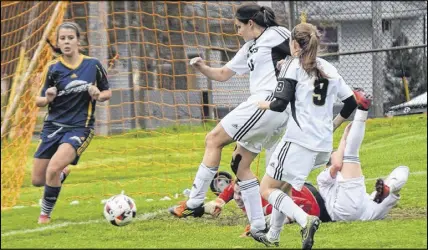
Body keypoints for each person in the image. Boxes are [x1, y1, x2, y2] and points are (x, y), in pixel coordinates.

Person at [168, 3, 292, 235]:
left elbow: (302, 47)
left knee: (213, 139)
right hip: (268, 109)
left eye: (238, 27)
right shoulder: (249, 48)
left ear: (251, 23)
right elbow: (224, 74)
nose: (237, 32)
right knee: (240, 164)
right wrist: (203, 67)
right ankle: (257, 225)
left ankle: (194, 203)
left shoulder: (278, 34)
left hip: (268, 103)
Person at [253, 22, 358, 249]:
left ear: (293, 43)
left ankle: (304, 220)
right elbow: (351, 103)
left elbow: (280, 104)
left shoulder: (293, 65)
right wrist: (332, 125)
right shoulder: (328, 67)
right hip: (321, 145)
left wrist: (262, 104)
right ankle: (273, 235)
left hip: (299, 141)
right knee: (285, 185)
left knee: (267, 188)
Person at [33, 22, 111, 224]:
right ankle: (62, 173)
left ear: (78, 40)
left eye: (70, 38)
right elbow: (37, 100)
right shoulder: (53, 68)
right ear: (58, 42)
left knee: (52, 169)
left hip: (79, 127)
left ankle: (45, 216)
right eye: (62, 38)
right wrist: (48, 98)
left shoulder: (92, 64)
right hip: (53, 126)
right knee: (38, 180)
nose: (66, 42)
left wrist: (98, 95)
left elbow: (107, 91)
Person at [317, 91, 410, 222]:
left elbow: (339, 163)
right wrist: (344, 138)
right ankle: (363, 109)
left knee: (402, 169)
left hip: (364, 210)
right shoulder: (323, 177)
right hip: (346, 210)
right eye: (337, 153)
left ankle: (388, 189)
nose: (340, 155)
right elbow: (337, 164)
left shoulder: (334, 177)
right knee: (350, 153)